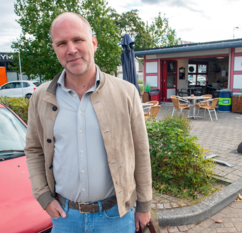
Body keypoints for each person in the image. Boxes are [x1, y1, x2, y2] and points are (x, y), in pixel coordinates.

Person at [24, 12, 152, 233]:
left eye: (78, 40)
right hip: (65, 218)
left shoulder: (126, 93)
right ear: (55, 49)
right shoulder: (42, 97)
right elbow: (34, 149)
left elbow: (141, 151)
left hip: (116, 218)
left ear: (93, 42)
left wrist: (144, 205)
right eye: (62, 43)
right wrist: (43, 196)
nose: (71, 49)